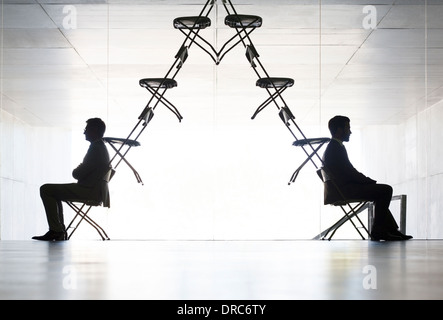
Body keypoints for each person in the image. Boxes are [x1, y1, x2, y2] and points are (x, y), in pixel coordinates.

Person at [322, 115, 412, 241]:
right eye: (348, 128)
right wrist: (368, 181)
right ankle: (379, 232)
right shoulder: (335, 148)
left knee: (381, 192)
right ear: (339, 130)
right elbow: (350, 172)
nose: (350, 131)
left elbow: (347, 172)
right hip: (345, 190)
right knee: (385, 190)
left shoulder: (333, 147)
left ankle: (390, 230)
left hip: (342, 189)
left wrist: (367, 182)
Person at [33, 118, 111, 241]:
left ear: (94, 130)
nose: (84, 132)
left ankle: (57, 230)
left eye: (86, 129)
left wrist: (79, 168)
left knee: (46, 189)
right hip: (94, 190)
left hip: (87, 190)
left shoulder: (95, 148)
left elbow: (77, 174)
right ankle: (58, 230)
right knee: (52, 191)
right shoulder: (101, 147)